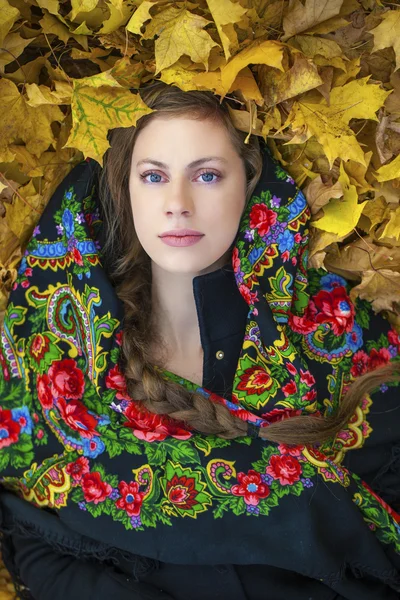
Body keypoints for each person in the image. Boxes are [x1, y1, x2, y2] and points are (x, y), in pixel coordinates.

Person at [0, 81, 399, 600]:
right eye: (153, 176)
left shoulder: (334, 330)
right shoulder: (62, 345)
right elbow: (32, 532)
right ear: (124, 188)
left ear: (250, 184)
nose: (177, 204)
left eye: (207, 175)